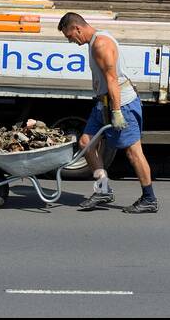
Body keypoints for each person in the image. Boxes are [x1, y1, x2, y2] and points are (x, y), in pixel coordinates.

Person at [57, 12, 157, 214]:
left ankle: (149, 198)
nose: (71, 41)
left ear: (77, 28)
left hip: (121, 103)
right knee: (86, 142)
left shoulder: (101, 44)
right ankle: (103, 190)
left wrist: (117, 111)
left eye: (70, 36)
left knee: (133, 152)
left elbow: (112, 80)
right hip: (103, 103)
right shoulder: (93, 42)